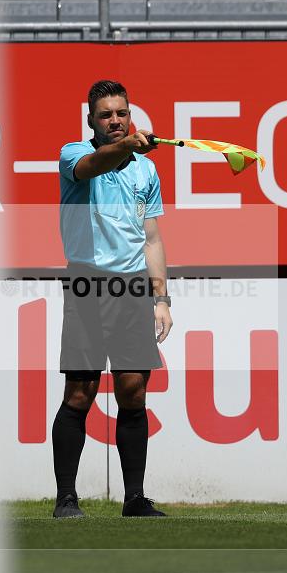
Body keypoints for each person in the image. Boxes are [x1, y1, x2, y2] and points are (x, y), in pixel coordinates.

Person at [52, 80, 173, 518]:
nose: (115, 120)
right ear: (91, 121)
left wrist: (161, 299)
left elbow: (152, 238)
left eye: (121, 112)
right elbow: (95, 166)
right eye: (105, 114)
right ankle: (67, 498)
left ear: (130, 116)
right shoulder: (73, 155)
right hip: (86, 283)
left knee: (133, 392)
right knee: (80, 393)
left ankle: (134, 500)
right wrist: (126, 148)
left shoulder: (145, 169)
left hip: (132, 286)